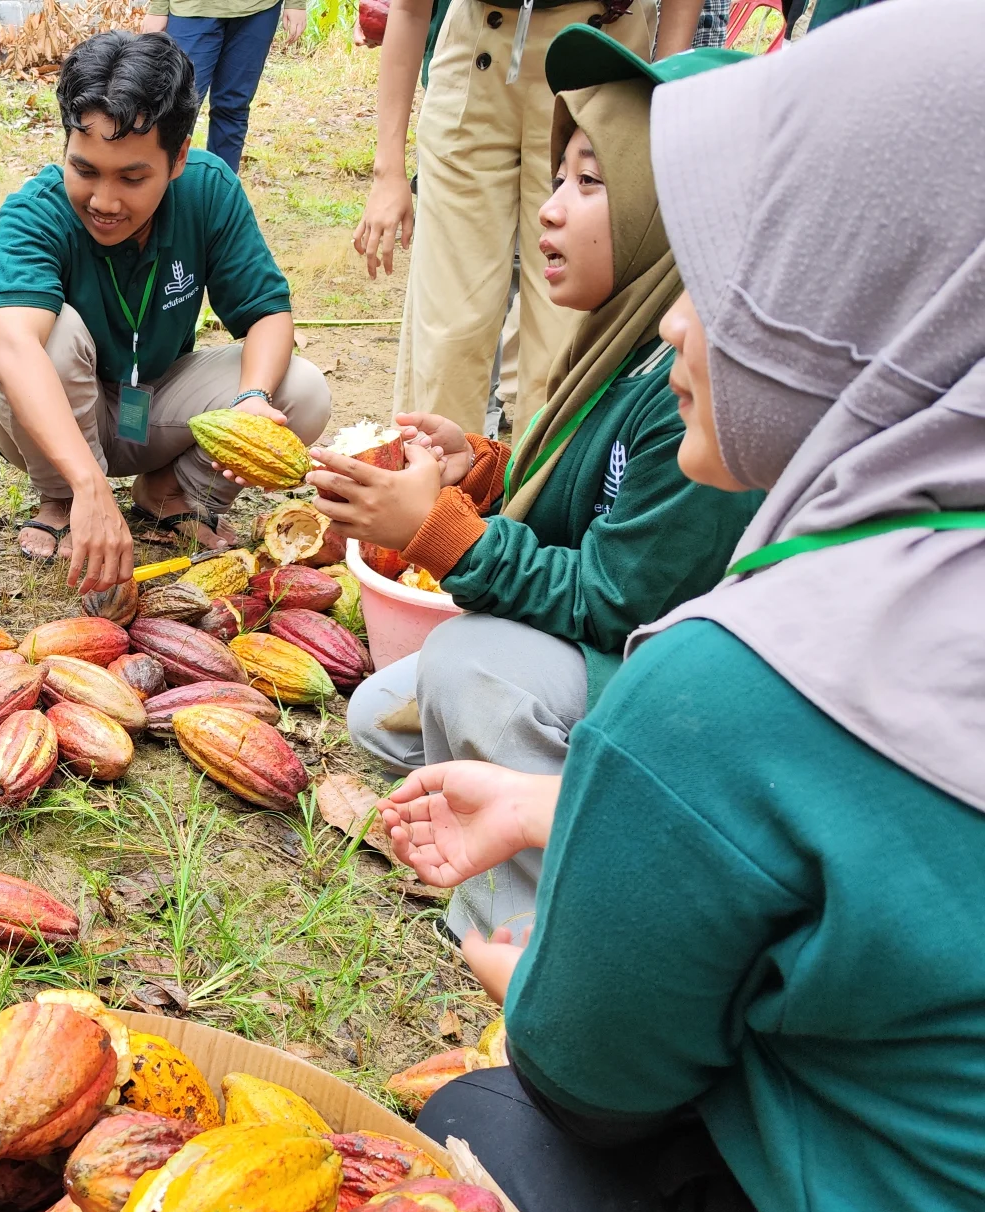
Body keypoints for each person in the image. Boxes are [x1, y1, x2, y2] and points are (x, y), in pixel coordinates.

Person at [386, 8, 985, 1212]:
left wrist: (540, 978)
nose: (673, 322)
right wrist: (560, 805)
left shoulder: (741, 685)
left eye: (734, 278)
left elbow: (595, 1087)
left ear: (869, 302)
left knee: (473, 1129)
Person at [310, 27, 760, 938]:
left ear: (675, 210)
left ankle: (517, 926)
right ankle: (517, 817)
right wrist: (489, 469)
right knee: (380, 710)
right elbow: (594, 500)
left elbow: (610, 599)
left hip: (680, 709)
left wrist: (443, 531)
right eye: (558, 178)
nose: (551, 210)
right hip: (628, 675)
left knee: (474, 668)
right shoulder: (630, 343)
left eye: (592, 184)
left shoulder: (693, 394)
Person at [0, 30, 330, 590]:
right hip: (56, 415)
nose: (104, 201)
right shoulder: (34, 213)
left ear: (178, 159)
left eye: (132, 177)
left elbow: (267, 312)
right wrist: (91, 485)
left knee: (303, 388)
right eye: (85, 170)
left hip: (155, 399)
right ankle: (64, 497)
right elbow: (13, 347)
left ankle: (170, 493)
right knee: (51, 333)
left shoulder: (209, 189)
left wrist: (252, 400)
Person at [356, 0, 696, 433]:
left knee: (569, 330)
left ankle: (545, 495)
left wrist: (660, 91)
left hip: (600, 50)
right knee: (448, 328)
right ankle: (431, 492)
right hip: (478, 50)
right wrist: (388, 172)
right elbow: (409, 8)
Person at [135, 0, 304, 172]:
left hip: (258, 10)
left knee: (233, 107)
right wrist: (158, 7)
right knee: (175, 108)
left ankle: (220, 191)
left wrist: (296, 3)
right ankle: (163, 192)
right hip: (192, 10)